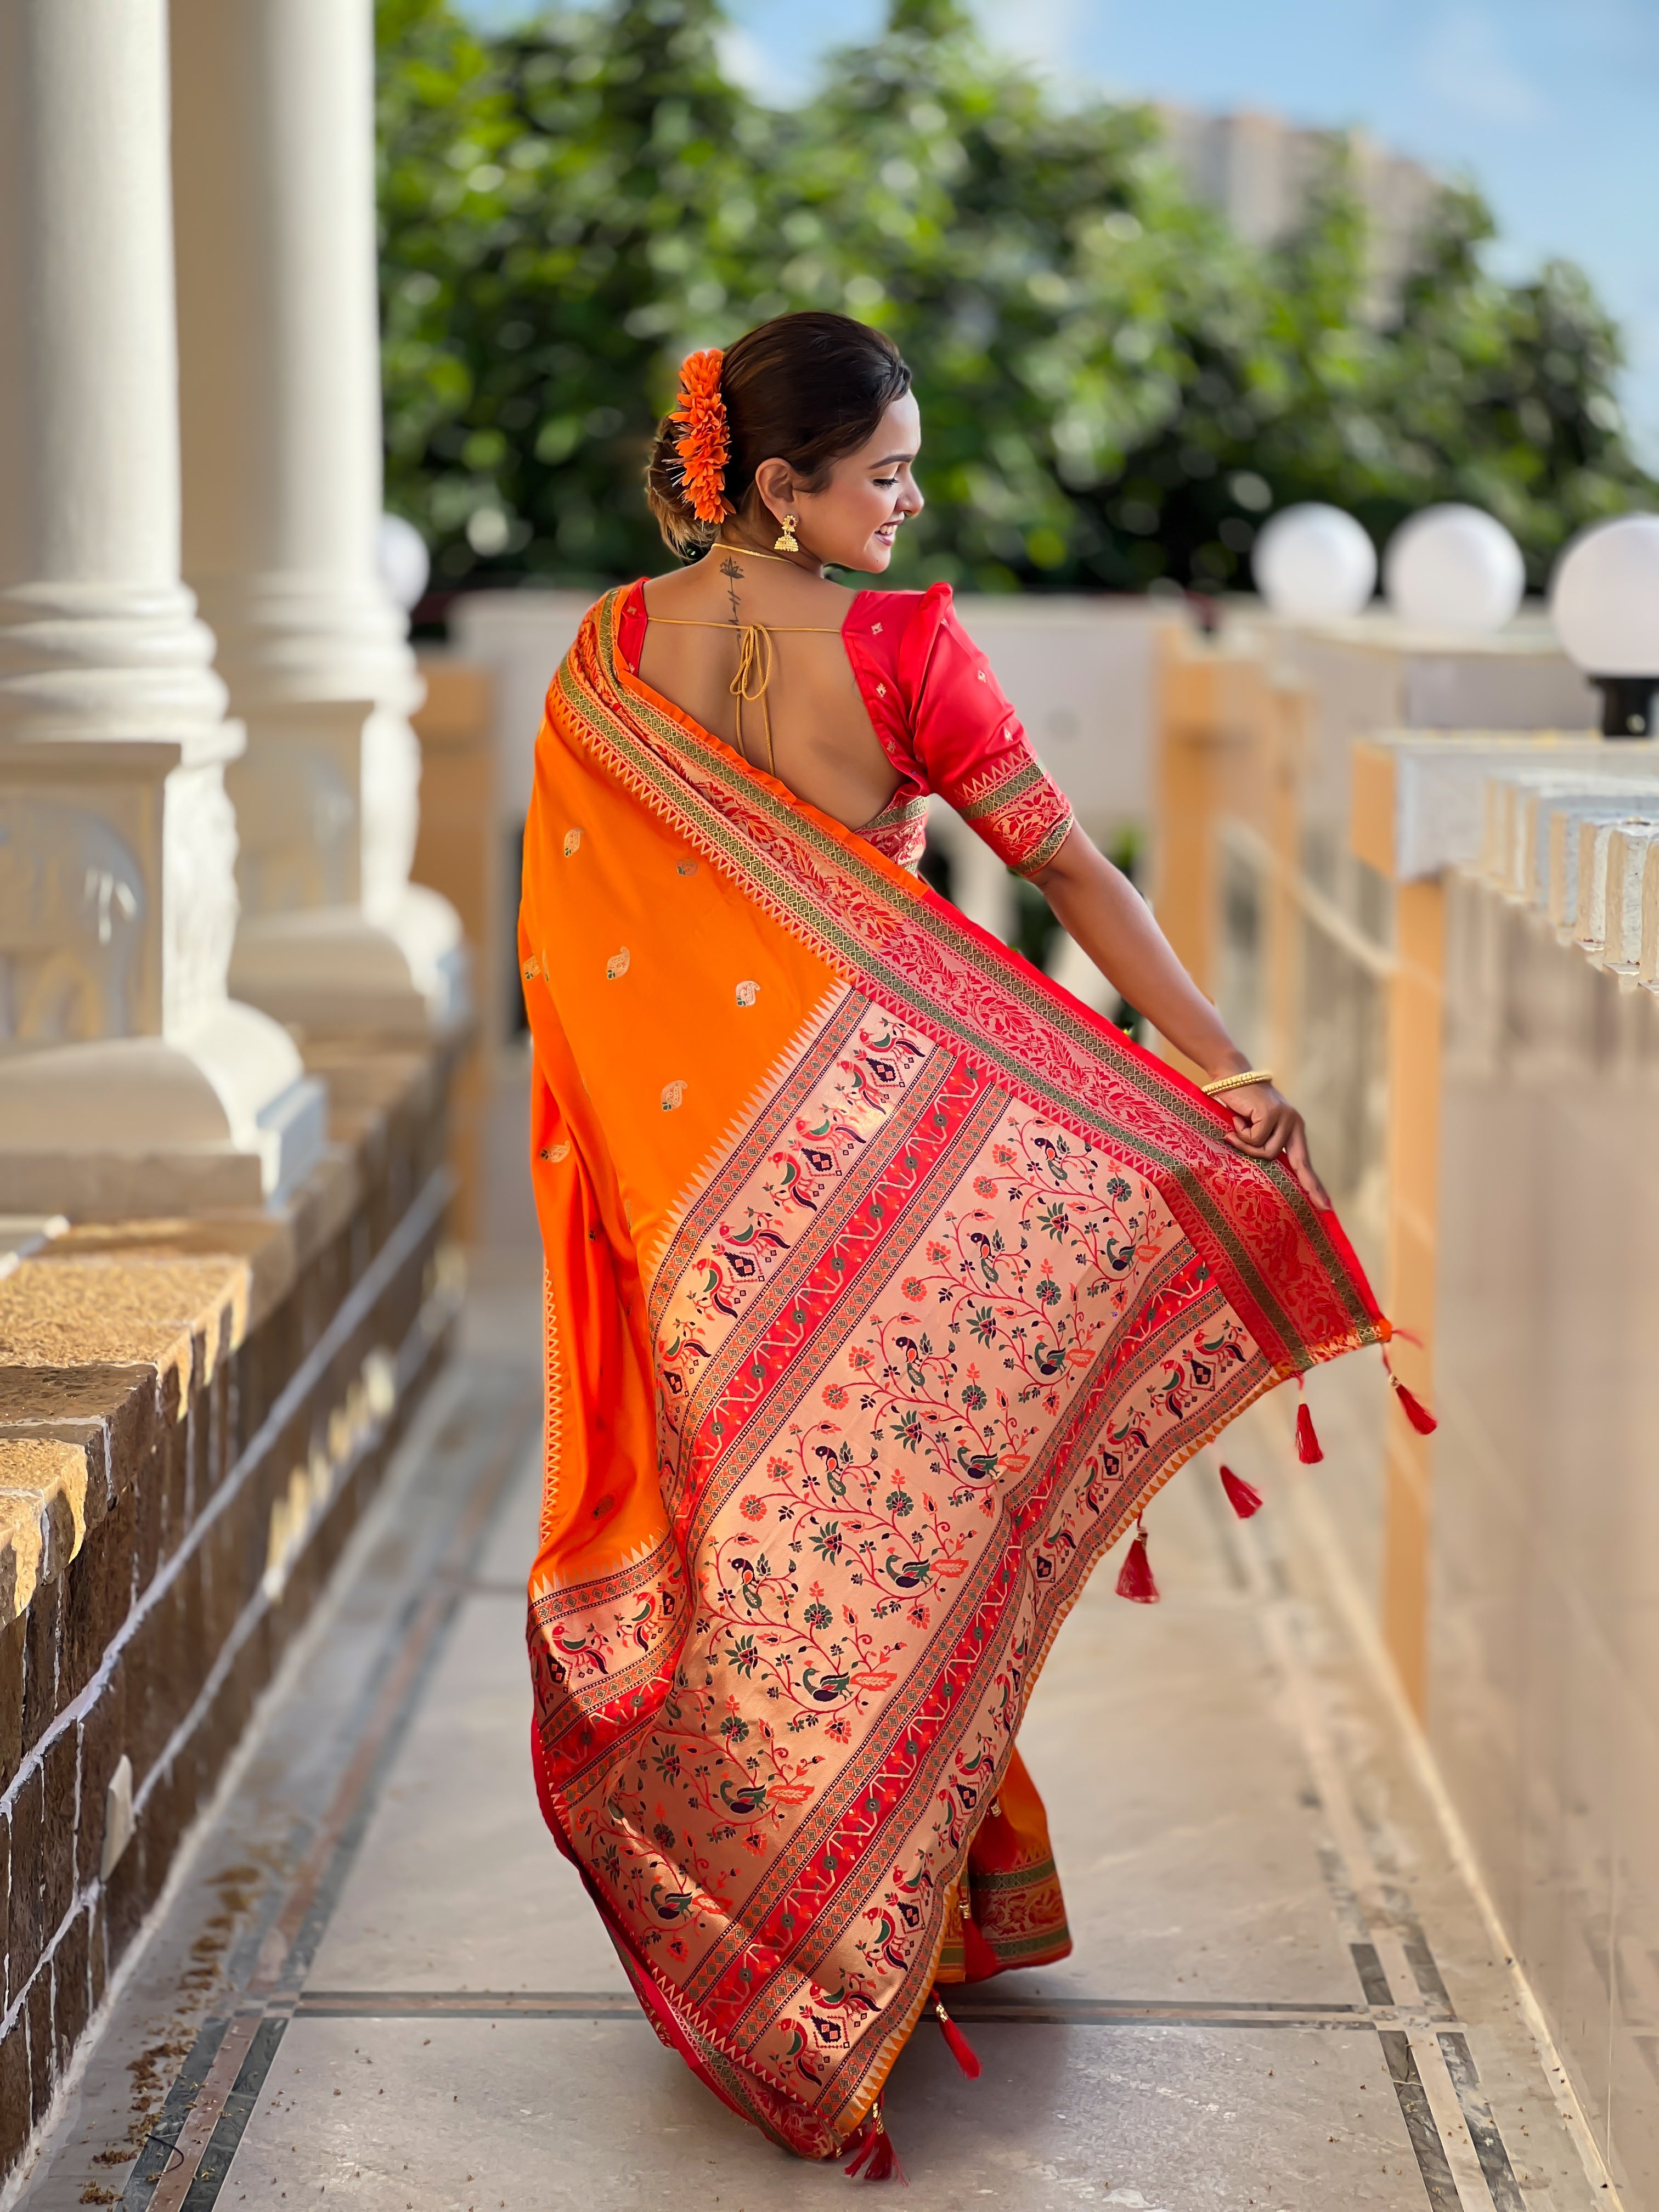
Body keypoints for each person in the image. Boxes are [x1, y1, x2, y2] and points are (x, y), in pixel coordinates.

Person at [519, 311, 1381, 2175]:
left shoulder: (605, 661)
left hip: (698, 1225)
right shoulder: (905, 647)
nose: (910, 505)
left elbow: (577, 977)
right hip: (899, 1206)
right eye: (885, 474)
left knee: (756, 1561)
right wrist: (1220, 1070)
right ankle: (889, 1937)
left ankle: (785, 1944)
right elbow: (1067, 870)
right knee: (902, 1568)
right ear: (781, 485)